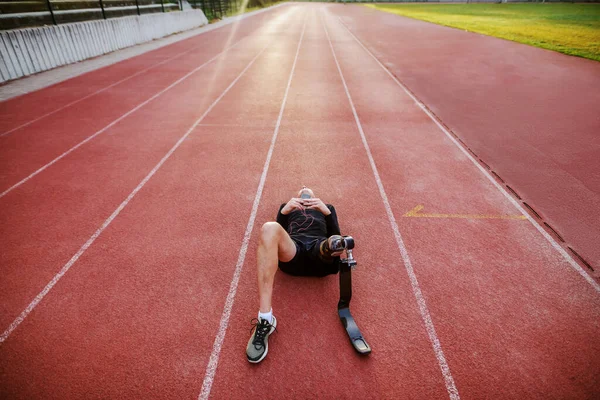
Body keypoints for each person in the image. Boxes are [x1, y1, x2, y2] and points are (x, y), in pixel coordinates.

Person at [246, 187, 344, 363]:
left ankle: (329, 248)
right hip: (294, 251)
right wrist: (284, 211)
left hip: (319, 252)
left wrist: (327, 212)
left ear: (316, 197)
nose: (305, 190)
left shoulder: (326, 208)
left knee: (335, 242)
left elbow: (336, 231)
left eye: (308, 190)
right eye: (302, 190)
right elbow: (274, 241)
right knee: (269, 228)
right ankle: (265, 319)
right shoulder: (288, 207)